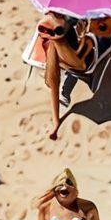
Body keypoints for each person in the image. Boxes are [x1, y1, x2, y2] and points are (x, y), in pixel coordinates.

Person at [34, 11, 90, 140]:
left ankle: (56, 119)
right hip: (67, 49)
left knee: (55, 75)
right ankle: (56, 119)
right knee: (59, 71)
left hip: (70, 46)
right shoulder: (56, 40)